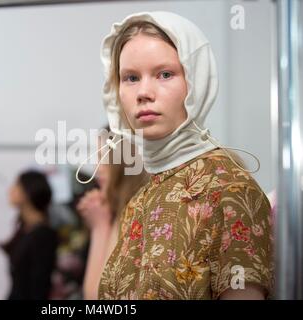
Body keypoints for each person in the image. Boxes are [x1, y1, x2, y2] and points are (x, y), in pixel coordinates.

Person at [92, 11, 273, 300]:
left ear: (195, 82)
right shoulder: (139, 200)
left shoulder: (230, 192)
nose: (144, 92)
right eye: (131, 78)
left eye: (165, 74)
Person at [77, 127, 148, 299]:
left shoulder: (132, 214)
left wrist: (100, 226)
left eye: (103, 158)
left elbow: (95, 297)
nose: (97, 168)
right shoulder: (131, 208)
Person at [0, 170, 58, 300]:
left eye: (16, 185)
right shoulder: (24, 230)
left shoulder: (43, 236)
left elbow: (39, 287)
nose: (10, 190)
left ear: (27, 192)